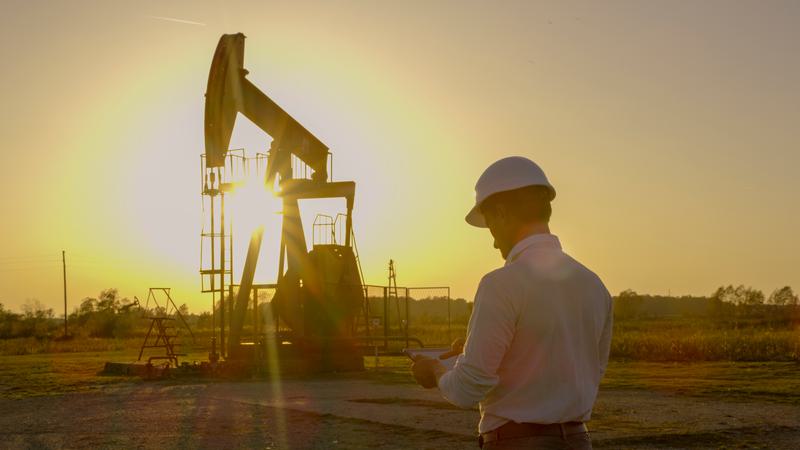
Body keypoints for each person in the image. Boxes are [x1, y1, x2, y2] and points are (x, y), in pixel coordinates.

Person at [412, 156, 613, 449]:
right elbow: (580, 371)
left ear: (502, 212)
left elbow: (469, 388)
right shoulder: (595, 286)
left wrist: (436, 371)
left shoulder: (500, 284)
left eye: (490, 225)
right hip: (579, 441)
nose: (493, 242)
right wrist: (467, 355)